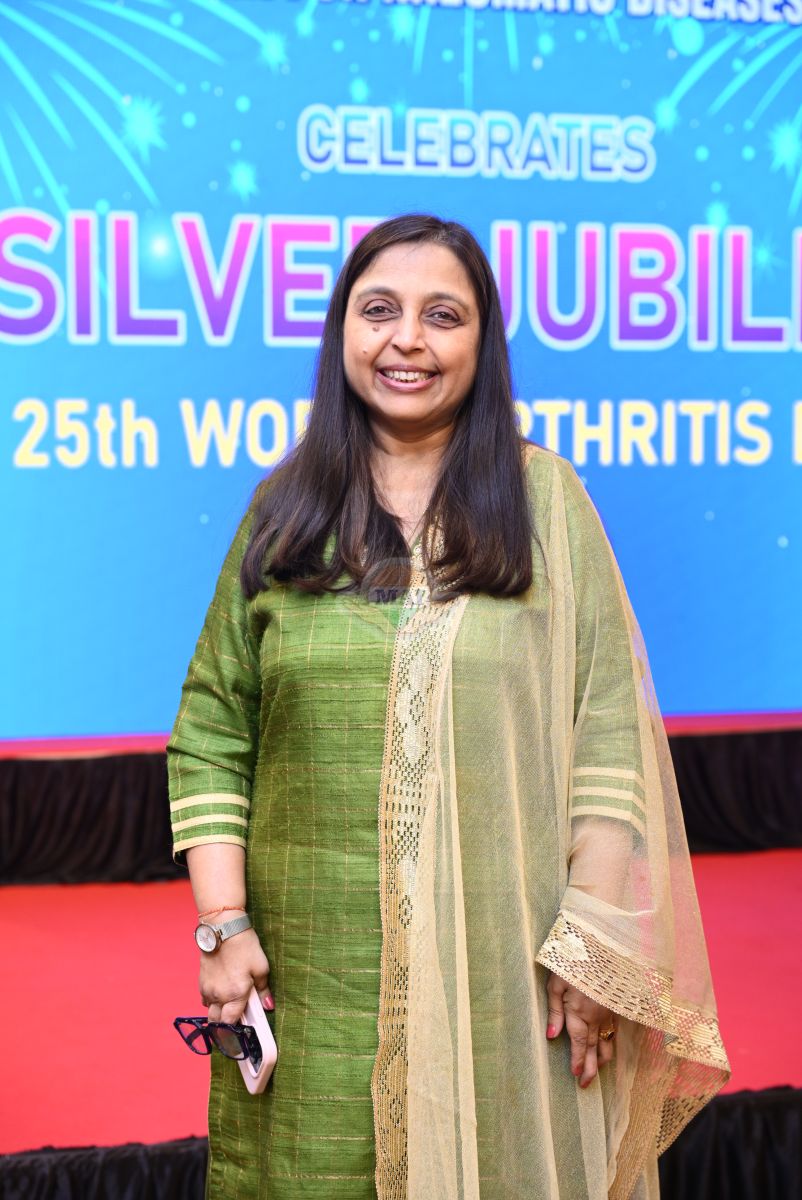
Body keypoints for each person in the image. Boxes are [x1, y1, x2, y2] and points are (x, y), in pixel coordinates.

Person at [166, 214, 729, 1200]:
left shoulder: (545, 505)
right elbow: (213, 733)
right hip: (309, 987)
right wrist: (223, 928)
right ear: (343, 330)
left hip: (505, 986)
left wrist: (590, 946)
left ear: (483, 342)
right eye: (379, 310)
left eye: (442, 315)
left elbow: (606, 732)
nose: (407, 340)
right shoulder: (284, 511)